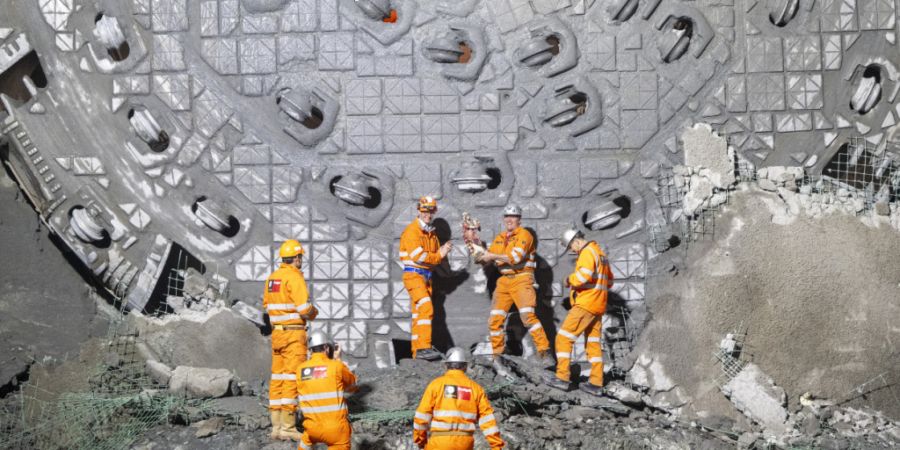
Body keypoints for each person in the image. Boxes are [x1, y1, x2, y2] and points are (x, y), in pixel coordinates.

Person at [477, 204, 551, 365]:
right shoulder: (500, 237)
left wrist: (492, 255)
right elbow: (484, 260)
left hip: (522, 279)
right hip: (504, 281)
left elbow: (514, 258)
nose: (509, 219)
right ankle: (498, 354)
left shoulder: (525, 235)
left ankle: (544, 352)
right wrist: (474, 243)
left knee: (528, 317)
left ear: (519, 219)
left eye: (513, 216)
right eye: (507, 216)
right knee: (495, 320)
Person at [544, 228, 614, 395]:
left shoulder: (587, 252)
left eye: (571, 247)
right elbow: (609, 281)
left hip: (586, 304)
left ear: (576, 240)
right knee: (593, 343)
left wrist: (569, 280)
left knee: (563, 338)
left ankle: (562, 378)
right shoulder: (600, 254)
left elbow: (582, 278)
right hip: (598, 305)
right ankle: (596, 383)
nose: (572, 251)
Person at [263, 239, 318, 441]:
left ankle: (276, 426)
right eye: (300, 257)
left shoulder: (272, 279)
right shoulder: (294, 278)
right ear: (296, 258)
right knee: (292, 379)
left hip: (277, 334)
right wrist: (314, 313)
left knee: (277, 378)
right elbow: (304, 309)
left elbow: (267, 305)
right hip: (294, 334)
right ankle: (288, 426)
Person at [413, 347, 505, 449]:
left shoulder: (436, 385)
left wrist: (420, 440)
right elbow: (488, 420)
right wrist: (496, 445)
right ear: (465, 366)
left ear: (446, 366)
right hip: (465, 443)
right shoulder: (476, 388)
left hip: (439, 442)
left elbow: (422, 416)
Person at [399, 196, 452, 360]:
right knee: (426, 307)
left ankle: (417, 353)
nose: (427, 215)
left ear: (434, 212)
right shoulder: (412, 231)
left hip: (426, 277)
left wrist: (441, 254)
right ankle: (423, 348)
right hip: (414, 275)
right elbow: (419, 256)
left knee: (418, 314)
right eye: (424, 211)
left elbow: (434, 257)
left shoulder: (431, 233)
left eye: (430, 211)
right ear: (418, 211)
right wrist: (439, 255)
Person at [296, 331, 358, 450]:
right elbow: (352, 387)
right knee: (340, 443)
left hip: (312, 428)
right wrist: (338, 359)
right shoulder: (336, 366)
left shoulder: (300, 370)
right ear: (326, 348)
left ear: (310, 350)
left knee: (306, 441)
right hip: (335, 430)